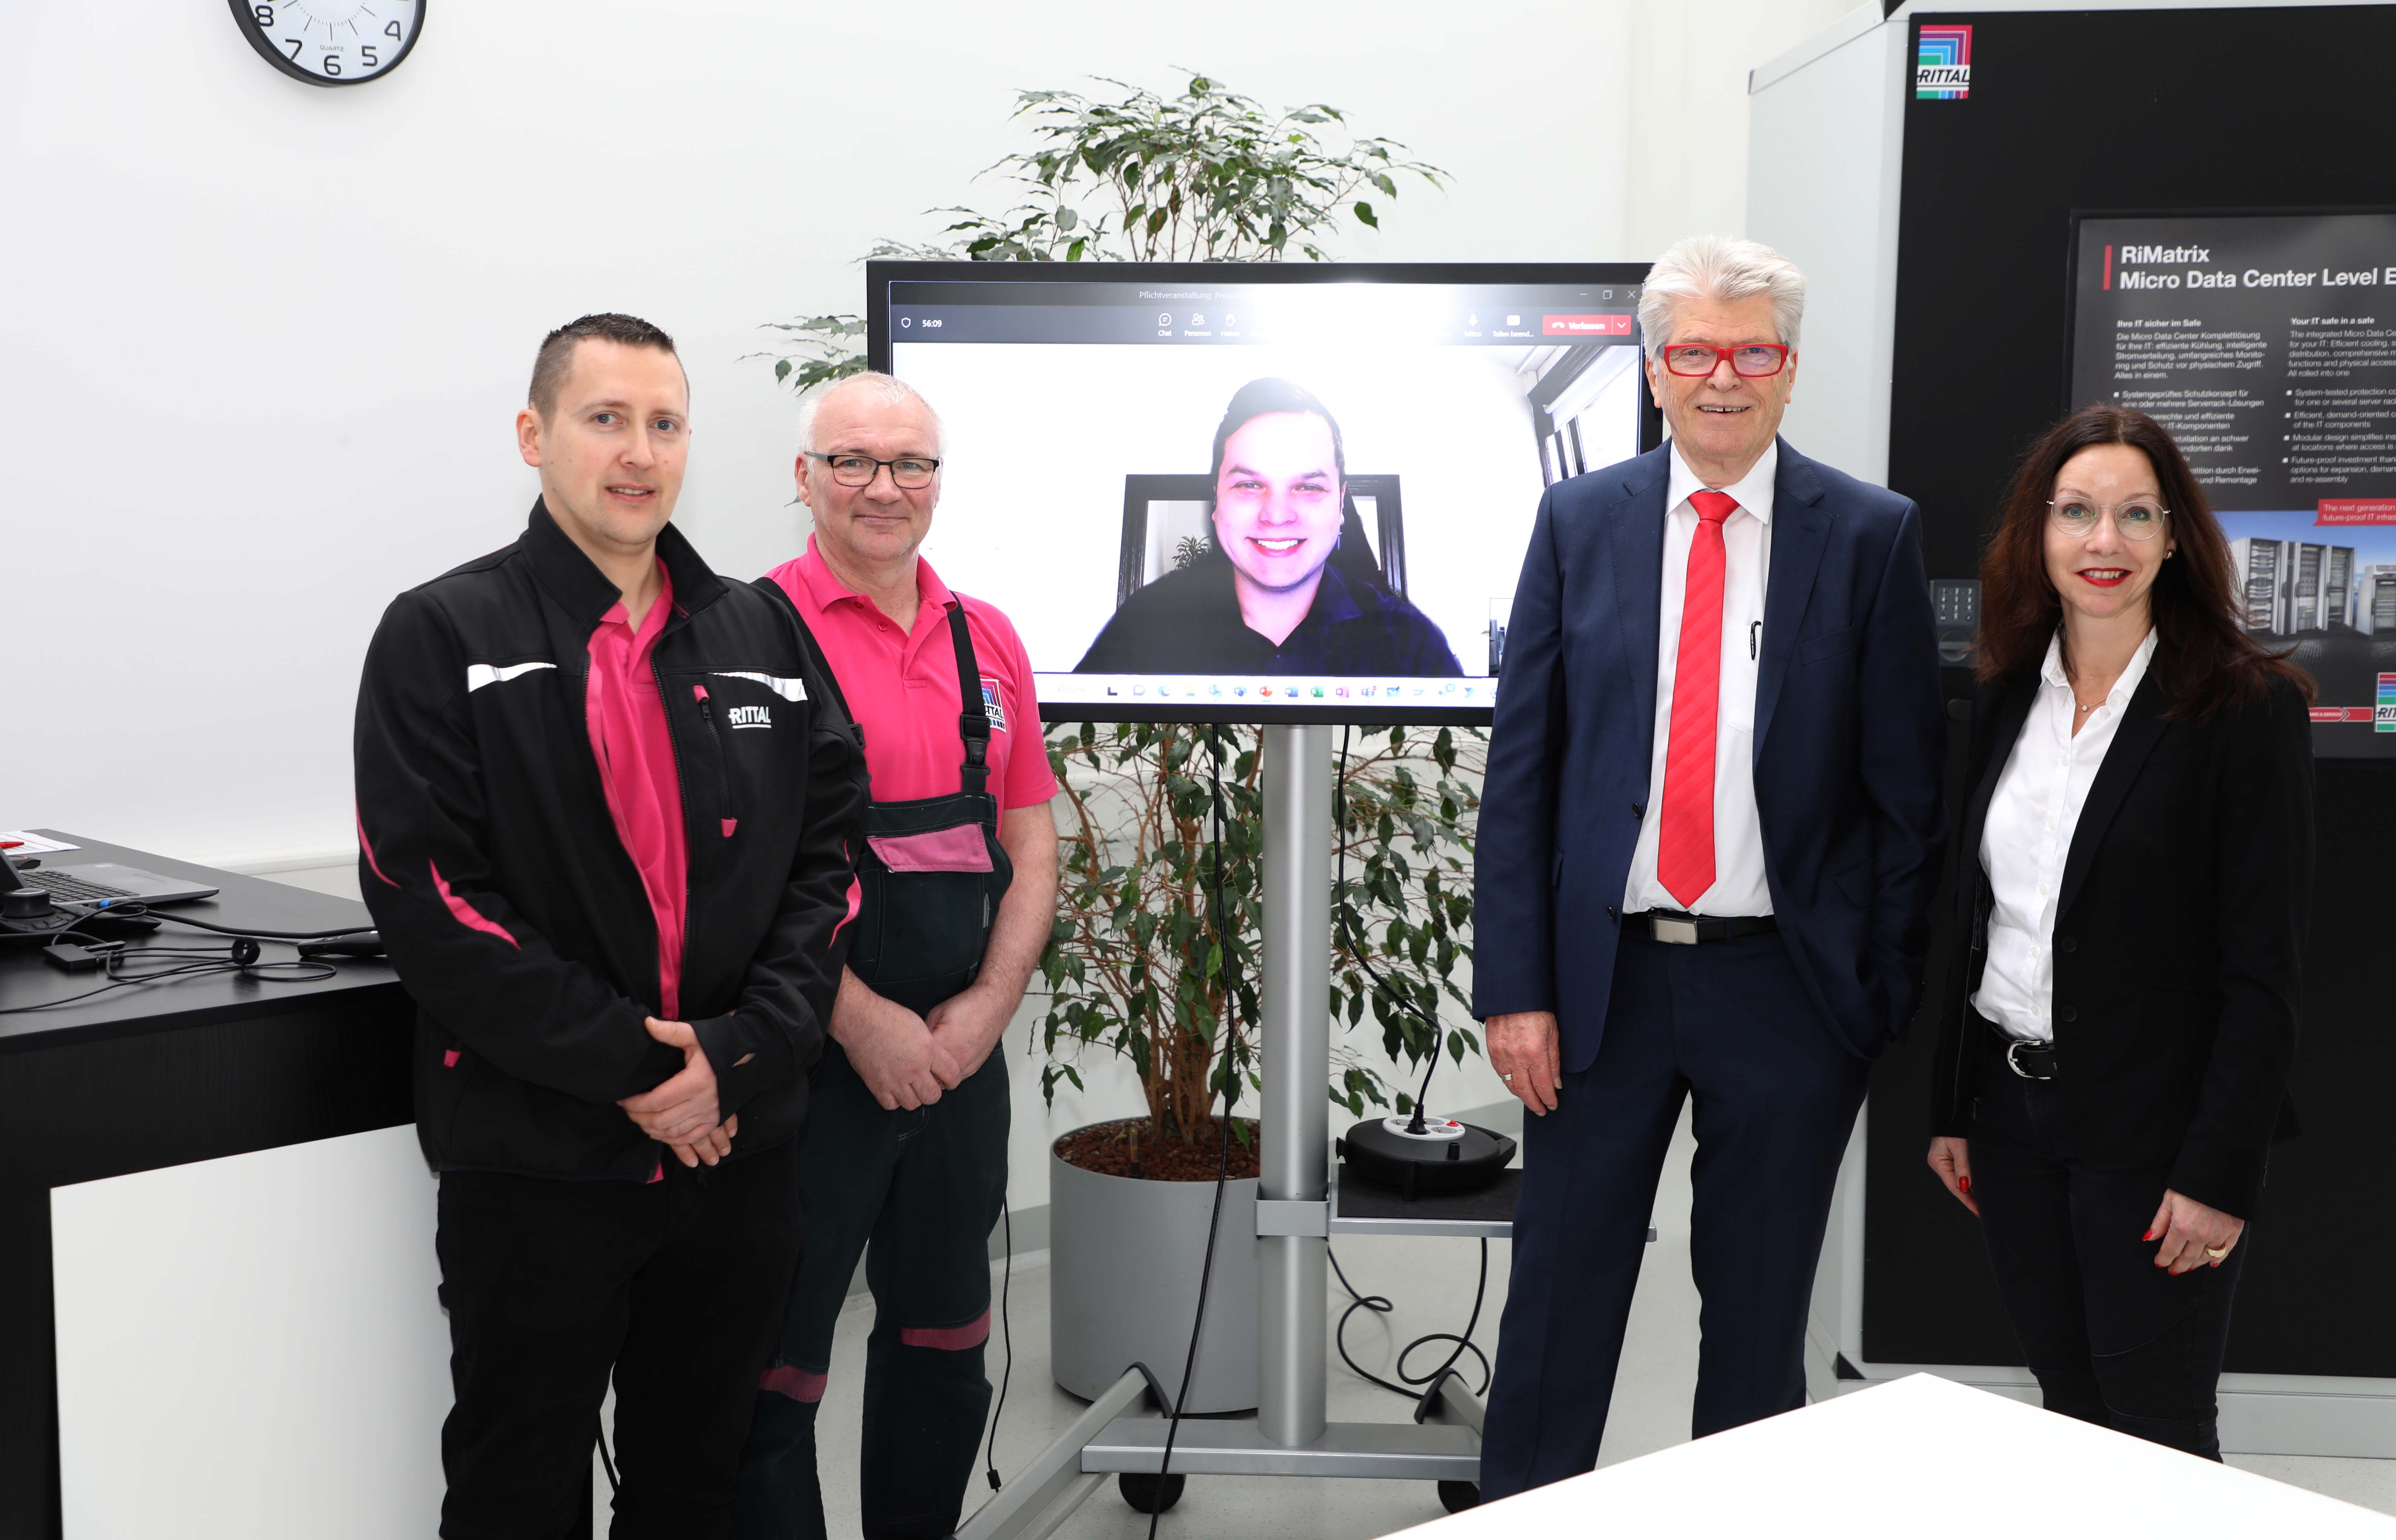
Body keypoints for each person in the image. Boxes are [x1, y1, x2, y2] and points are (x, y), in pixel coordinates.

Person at [353, 313, 868, 1537]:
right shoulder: (444, 632)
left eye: (665, 423)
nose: (639, 452)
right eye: (605, 419)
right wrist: (647, 1069)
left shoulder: (763, 633)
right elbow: (429, 895)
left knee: (695, 1482)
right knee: (517, 1488)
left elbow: (831, 864)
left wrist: (733, 1055)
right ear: (534, 437)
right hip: (539, 1158)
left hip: (736, 1154)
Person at [1471, 235, 1945, 1497]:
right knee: (1556, 1304)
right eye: (1692, 353)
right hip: (1600, 986)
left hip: (1786, 991)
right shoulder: (1578, 522)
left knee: (1754, 1322)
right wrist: (1514, 987)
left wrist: (1871, 994)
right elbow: (1522, 776)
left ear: (1788, 369)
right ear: (1653, 369)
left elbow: (1907, 797)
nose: (1721, 378)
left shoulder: (1870, 535)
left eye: (1749, 352)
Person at [1924, 404, 2314, 1459]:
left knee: (2158, 1432)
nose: (2105, 540)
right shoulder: (2003, 693)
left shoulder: (2243, 708)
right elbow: (1983, 921)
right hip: (2010, 1123)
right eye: (2077, 512)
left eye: (2136, 513)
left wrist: (2217, 1174)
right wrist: (1953, 1105)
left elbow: (2263, 974)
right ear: (2038, 532)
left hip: (2156, 1137)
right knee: (2070, 1411)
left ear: (2175, 536)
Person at [733, 372, 1060, 1540]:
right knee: (772, 1368)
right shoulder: (742, 640)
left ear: (937, 479)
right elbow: (735, 878)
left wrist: (989, 1007)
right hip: (809, 1060)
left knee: (944, 1343)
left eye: (910, 463)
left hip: (961, 1056)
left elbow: (1028, 837)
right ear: (805, 477)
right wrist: (862, 1020)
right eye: (853, 462)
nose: (885, 487)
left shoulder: (989, 637)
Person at [1073, 377, 1463, 676]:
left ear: (1341, 503)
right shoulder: (1143, 627)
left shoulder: (1413, 645)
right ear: (1216, 499)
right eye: (1249, 485)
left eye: (1308, 487)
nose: (1276, 515)